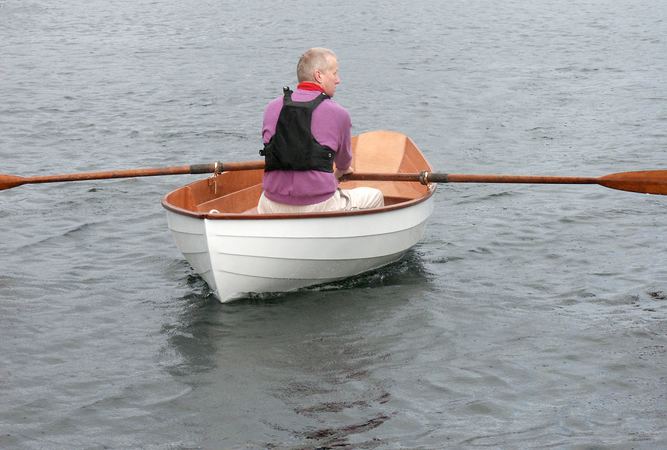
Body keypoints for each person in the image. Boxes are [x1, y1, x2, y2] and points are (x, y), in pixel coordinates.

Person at [257, 47, 384, 214]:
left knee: (263, 199)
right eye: (334, 73)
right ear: (319, 75)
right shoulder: (339, 114)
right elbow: (343, 163)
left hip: (271, 205)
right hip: (318, 206)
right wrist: (341, 172)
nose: (338, 80)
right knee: (375, 196)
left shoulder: (271, 108)